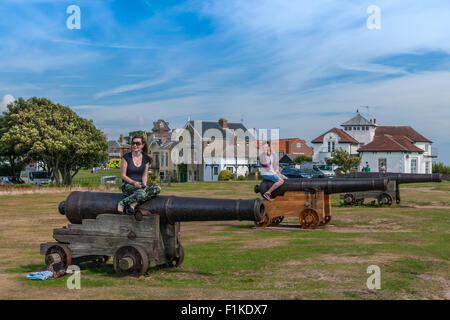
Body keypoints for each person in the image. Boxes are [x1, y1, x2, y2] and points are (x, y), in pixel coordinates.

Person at [116, 134, 161, 215]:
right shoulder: (126, 157)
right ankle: (122, 203)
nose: (135, 145)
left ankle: (133, 204)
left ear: (143, 145)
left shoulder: (146, 159)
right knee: (141, 193)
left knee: (157, 188)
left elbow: (144, 175)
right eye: (133, 143)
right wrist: (134, 183)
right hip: (128, 185)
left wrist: (144, 184)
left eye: (137, 143)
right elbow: (123, 175)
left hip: (140, 185)